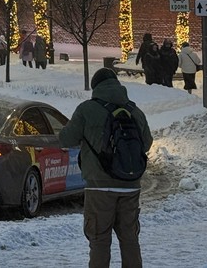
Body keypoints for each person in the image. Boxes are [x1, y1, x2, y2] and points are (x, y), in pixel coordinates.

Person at [58, 67, 153, 268]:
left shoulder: (86, 109)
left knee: (99, 238)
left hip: (99, 187)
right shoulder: (135, 111)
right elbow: (146, 143)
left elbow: (67, 138)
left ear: (95, 87)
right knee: (129, 238)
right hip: (130, 185)